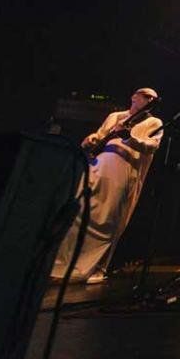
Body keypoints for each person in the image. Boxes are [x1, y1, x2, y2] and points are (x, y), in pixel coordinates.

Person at [51, 88, 163, 284]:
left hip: (122, 172)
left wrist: (129, 136)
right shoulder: (115, 116)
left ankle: (96, 267)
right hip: (98, 166)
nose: (149, 99)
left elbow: (152, 146)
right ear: (134, 96)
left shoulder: (154, 122)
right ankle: (64, 265)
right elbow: (100, 135)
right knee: (81, 212)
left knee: (108, 219)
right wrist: (91, 139)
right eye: (145, 96)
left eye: (152, 98)